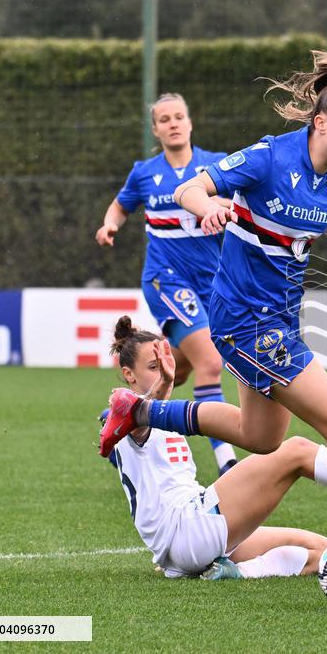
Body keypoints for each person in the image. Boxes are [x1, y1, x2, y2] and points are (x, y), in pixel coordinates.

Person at [101, 51, 327, 577]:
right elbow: (188, 187)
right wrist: (210, 207)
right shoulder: (268, 159)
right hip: (246, 322)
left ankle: (140, 413)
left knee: (262, 437)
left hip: (278, 321)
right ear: (321, 122)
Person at [104, 316, 327, 580]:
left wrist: (165, 382)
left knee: (323, 551)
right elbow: (137, 419)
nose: (162, 371)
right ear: (127, 374)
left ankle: (236, 572)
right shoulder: (120, 414)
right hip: (189, 529)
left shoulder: (152, 412)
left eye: (164, 364)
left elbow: (152, 419)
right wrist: (159, 390)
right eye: (151, 367)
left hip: (190, 543)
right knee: (296, 451)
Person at [95, 93, 237, 476]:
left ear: (190, 124)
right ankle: (228, 462)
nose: (173, 123)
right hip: (166, 280)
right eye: (164, 119)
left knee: (180, 369)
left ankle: (124, 416)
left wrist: (223, 206)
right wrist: (110, 225)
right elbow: (120, 206)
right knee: (211, 360)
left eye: (179, 117)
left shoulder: (214, 165)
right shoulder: (145, 172)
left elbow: (233, 202)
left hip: (214, 281)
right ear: (156, 129)